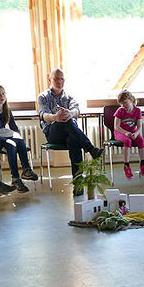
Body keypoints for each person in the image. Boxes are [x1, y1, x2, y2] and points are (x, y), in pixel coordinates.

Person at [37, 68, 103, 196]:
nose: (59, 81)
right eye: (56, 78)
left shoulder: (69, 96)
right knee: (66, 120)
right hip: (53, 132)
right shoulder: (43, 96)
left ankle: (78, 186)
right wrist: (55, 117)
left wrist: (70, 113)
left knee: (74, 139)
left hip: (69, 133)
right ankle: (90, 148)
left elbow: (76, 110)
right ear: (50, 79)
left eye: (61, 78)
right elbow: (43, 115)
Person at [0, 84, 38, 193]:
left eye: (3, 94)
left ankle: (26, 170)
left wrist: (18, 135)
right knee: (11, 145)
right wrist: (0, 145)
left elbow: (13, 126)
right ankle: (15, 178)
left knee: (19, 141)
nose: (1, 97)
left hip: (4, 134)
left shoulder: (7, 109)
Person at [113, 90, 144, 179]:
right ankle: (126, 165)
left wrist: (136, 133)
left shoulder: (137, 111)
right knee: (127, 141)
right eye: (121, 104)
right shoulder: (120, 111)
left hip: (132, 132)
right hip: (120, 132)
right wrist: (126, 133)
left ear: (131, 100)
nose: (123, 106)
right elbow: (116, 127)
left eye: (125, 103)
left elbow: (139, 126)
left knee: (141, 140)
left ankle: (143, 164)